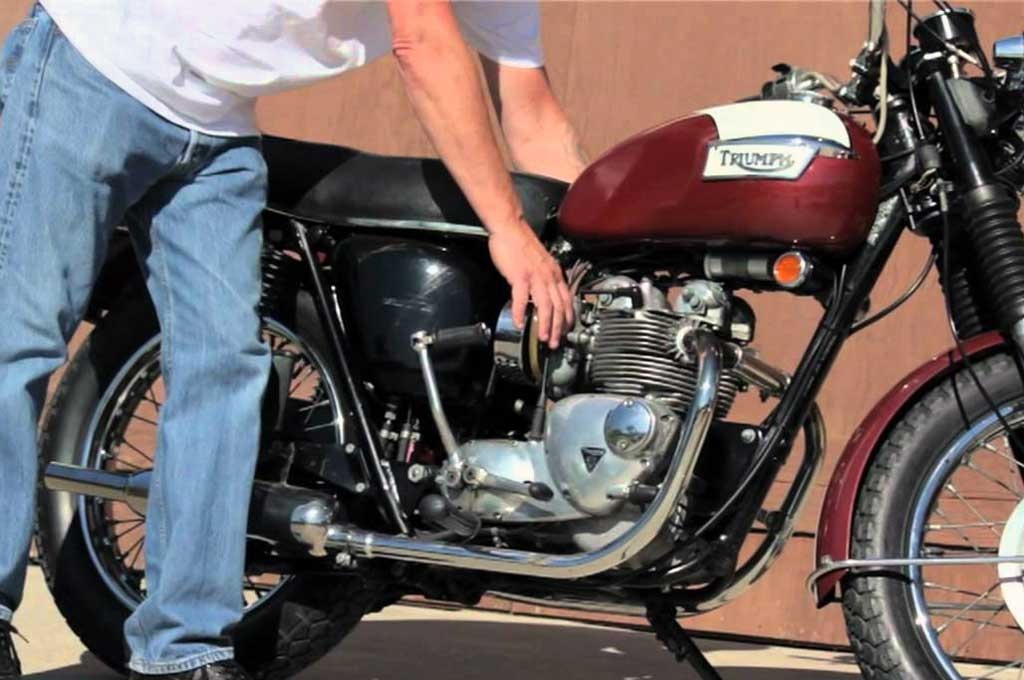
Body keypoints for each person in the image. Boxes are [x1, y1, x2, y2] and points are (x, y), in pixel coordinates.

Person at [0, 2, 586, 679]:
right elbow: (421, 39)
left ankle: (184, 650)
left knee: (225, 372)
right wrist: (508, 229)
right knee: (19, 344)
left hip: (217, 129)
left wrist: (609, 256)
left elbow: (531, 109)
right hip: (92, 68)